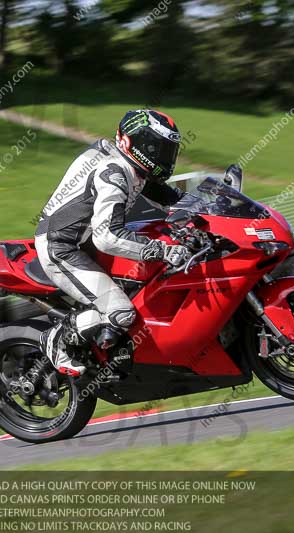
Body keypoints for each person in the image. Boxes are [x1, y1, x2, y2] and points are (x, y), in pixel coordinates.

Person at [35, 109, 189, 376]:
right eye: (156, 148)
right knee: (122, 312)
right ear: (134, 143)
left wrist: (210, 206)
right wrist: (160, 250)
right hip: (62, 249)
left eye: (167, 150)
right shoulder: (114, 173)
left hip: (85, 245)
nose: (163, 156)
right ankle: (57, 337)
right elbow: (107, 236)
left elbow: (172, 198)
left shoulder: (132, 167)